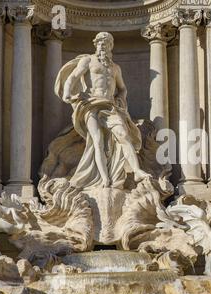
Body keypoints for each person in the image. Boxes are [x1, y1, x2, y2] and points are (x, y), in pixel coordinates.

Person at [55, 32, 150, 189]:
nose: (102, 45)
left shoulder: (115, 68)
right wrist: (67, 93)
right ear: (95, 45)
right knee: (97, 141)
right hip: (90, 104)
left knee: (124, 135)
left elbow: (122, 88)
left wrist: (121, 100)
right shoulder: (88, 61)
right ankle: (104, 179)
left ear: (110, 46)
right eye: (99, 43)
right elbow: (73, 77)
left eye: (105, 43)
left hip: (110, 106)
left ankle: (137, 171)